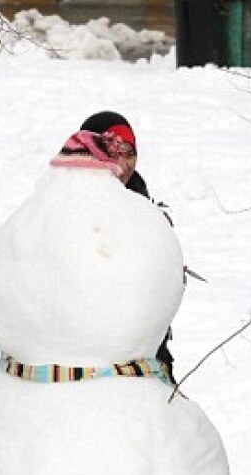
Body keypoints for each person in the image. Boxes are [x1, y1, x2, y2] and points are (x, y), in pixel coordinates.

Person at [79, 110, 178, 383]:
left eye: (129, 153)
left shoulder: (143, 204)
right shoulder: (68, 204)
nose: (123, 165)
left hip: (146, 354)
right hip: (86, 364)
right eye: (114, 152)